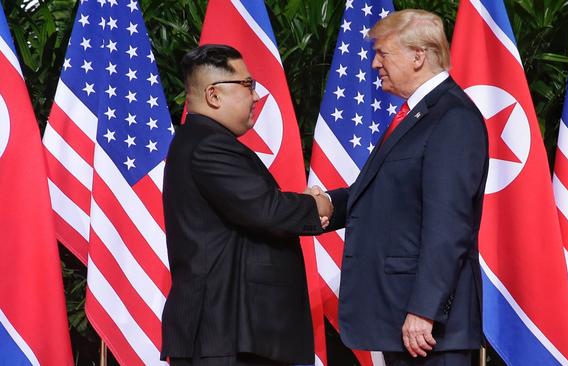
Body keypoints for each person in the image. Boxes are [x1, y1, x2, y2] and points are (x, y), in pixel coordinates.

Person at [316, 9, 488, 366]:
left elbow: (448, 225)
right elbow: (385, 194)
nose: (375, 64)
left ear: (418, 56)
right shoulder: (418, 114)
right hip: (402, 317)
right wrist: (325, 204)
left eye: (383, 53)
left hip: (430, 330)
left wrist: (425, 310)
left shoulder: (451, 117)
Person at [161, 44, 332, 366]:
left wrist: (334, 203)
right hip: (226, 335)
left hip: (230, 335)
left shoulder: (201, 140)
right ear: (214, 95)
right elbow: (267, 211)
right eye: (247, 85)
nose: (255, 96)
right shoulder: (209, 146)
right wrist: (319, 205)